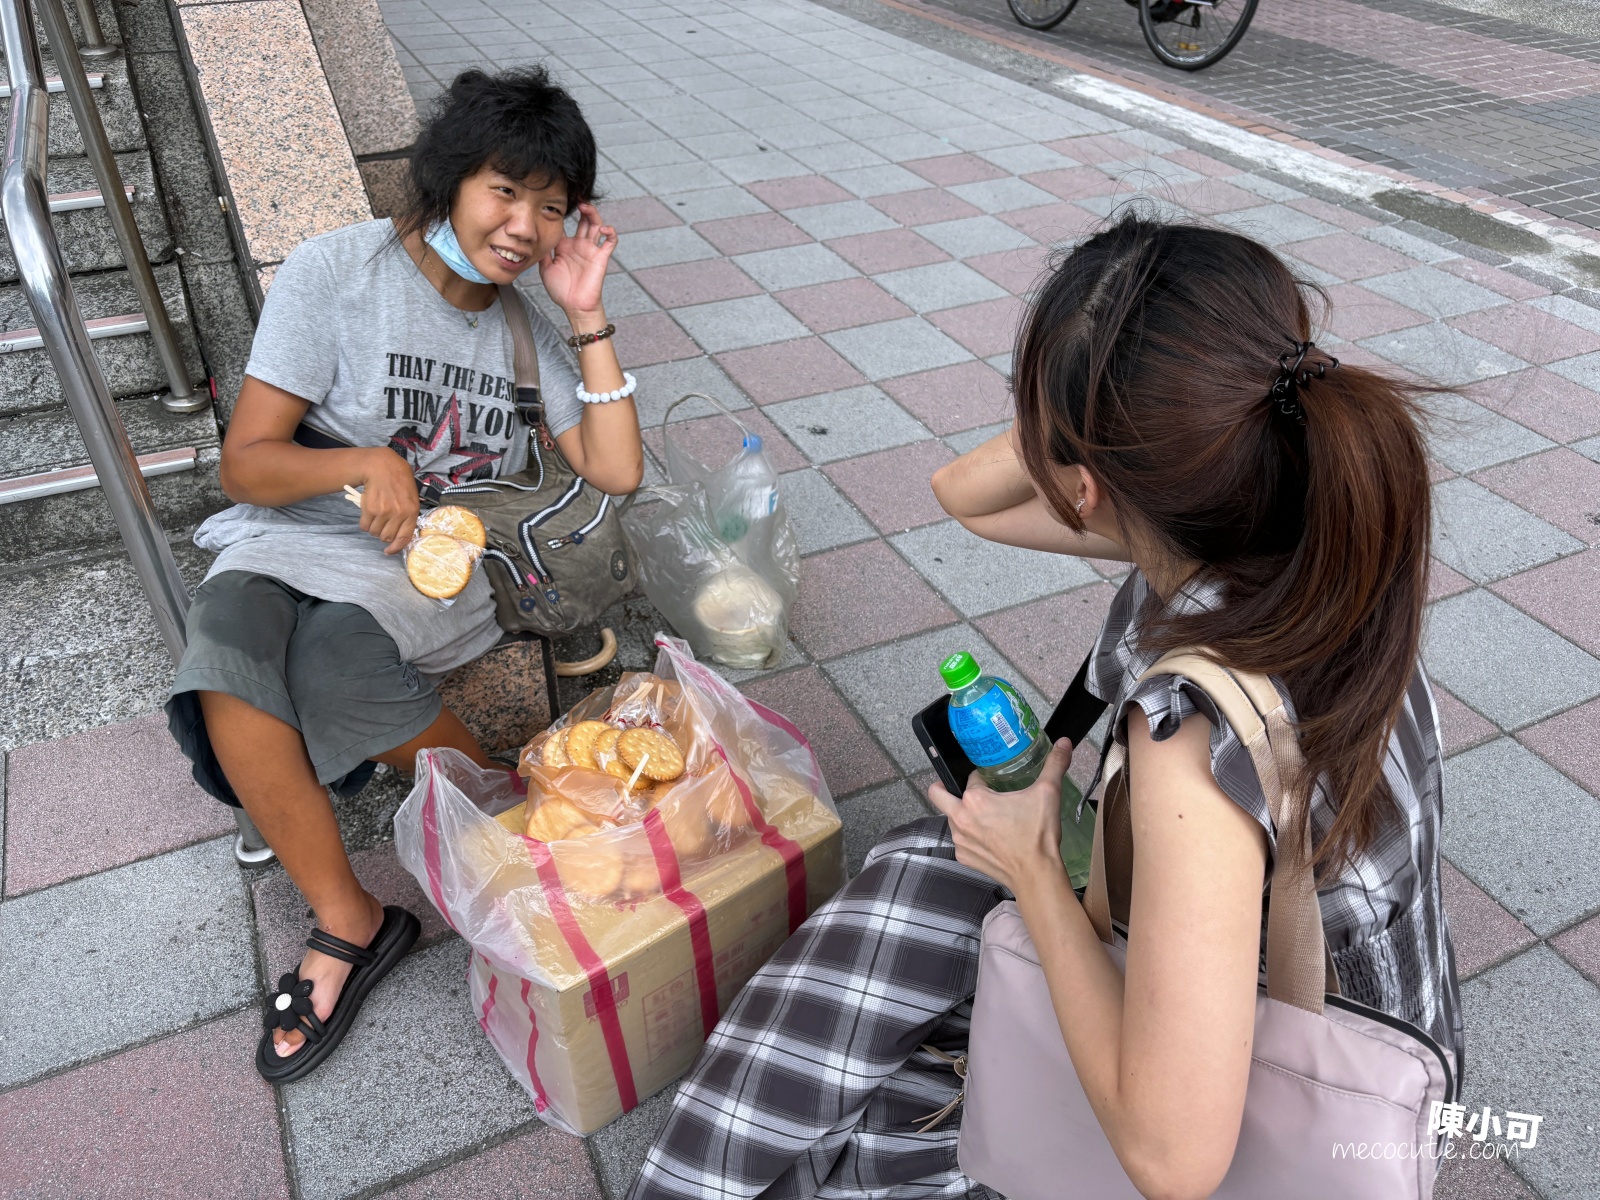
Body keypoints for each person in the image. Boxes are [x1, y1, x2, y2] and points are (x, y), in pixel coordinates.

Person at [630, 211, 1462, 1199]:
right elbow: (963, 495)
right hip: (1356, 995)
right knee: (922, 865)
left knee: (945, 888)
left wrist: (1028, 867)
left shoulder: (1186, 747)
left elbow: (1172, 1159)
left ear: (1084, 485)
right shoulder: (1305, 532)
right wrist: (1110, 423)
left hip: (1308, 1089)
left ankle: (717, 1169)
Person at [164, 66, 643, 1083]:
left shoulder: (527, 331)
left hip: (429, 568)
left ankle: (507, 822)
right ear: (450, 181)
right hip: (296, 529)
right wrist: (361, 463)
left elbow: (616, 468)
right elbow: (246, 462)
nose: (523, 225)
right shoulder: (338, 271)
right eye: (504, 190)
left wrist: (587, 311)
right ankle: (351, 919)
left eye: (550, 208)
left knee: (334, 658)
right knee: (226, 653)